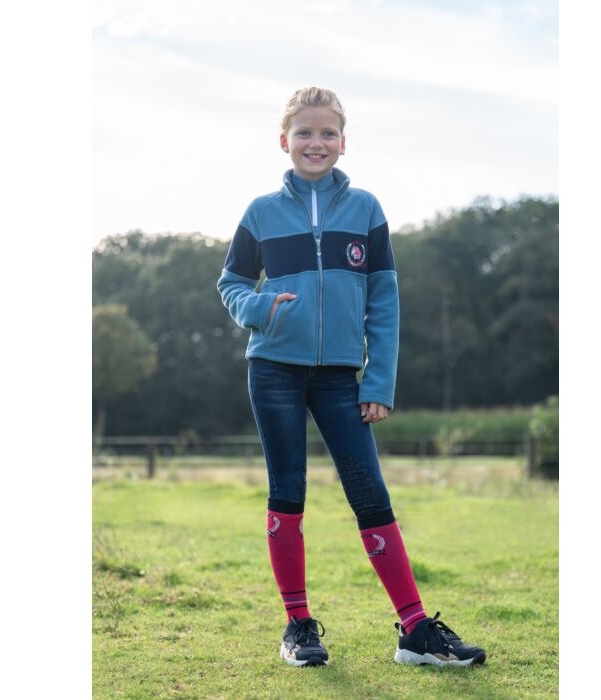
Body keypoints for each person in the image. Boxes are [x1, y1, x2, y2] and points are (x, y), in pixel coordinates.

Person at [217, 87, 486, 669]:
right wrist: (259, 308)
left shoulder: (366, 209)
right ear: (284, 141)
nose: (316, 143)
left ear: (344, 142)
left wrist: (379, 382)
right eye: (305, 132)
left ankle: (415, 631)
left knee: (370, 493)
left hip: (342, 376)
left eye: (327, 133)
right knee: (288, 490)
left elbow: (384, 301)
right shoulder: (261, 213)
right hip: (274, 369)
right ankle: (298, 627)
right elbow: (231, 283)